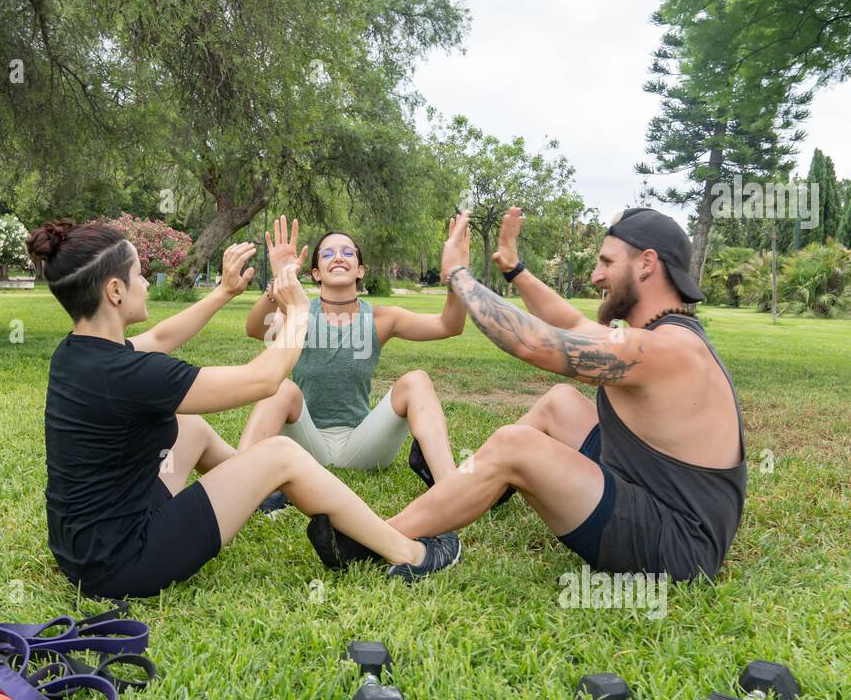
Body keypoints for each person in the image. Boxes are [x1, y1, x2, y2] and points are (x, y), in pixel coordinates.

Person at [27, 219, 462, 599]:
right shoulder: (129, 374)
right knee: (281, 455)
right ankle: (412, 553)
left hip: (84, 547)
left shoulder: (79, 353)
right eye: (140, 274)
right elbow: (264, 380)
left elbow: (159, 339)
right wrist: (298, 312)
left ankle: (256, 491)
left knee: (189, 427)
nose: (146, 282)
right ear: (115, 290)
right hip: (124, 561)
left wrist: (223, 292)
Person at [317, 206, 746, 582]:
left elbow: (536, 344)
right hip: (650, 492)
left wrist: (459, 276)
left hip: (676, 547)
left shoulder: (667, 349)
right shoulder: (660, 336)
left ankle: (372, 537)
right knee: (559, 403)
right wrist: (515, 270)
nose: (596, 275)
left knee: (514, 445)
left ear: (647, 264)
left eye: (606, 263)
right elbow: (572, 325)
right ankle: (482, 487)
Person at [241, 217, 466, 514]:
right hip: (306, 447)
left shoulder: (381, 320)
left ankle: (451, 488)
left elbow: (449, 325)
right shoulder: (300, 314)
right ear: (315, 273)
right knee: (282, 387)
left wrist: (458, 276)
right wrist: (278, 282)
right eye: (328, 253)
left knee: (417, 380)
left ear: (360, 270)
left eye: (348, 253)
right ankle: (238, 481)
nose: (338, 257)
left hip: (362, 446)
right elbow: (257, 328)